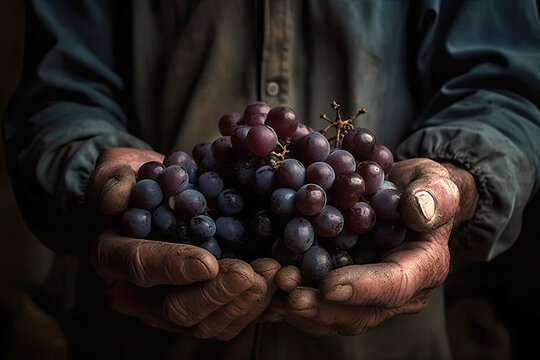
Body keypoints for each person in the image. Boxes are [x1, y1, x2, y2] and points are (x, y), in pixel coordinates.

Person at [2, 0, 539, 359]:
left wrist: (458, 181)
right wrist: (93, 170)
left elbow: (502, 91)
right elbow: (58, 95)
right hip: (142, 331)